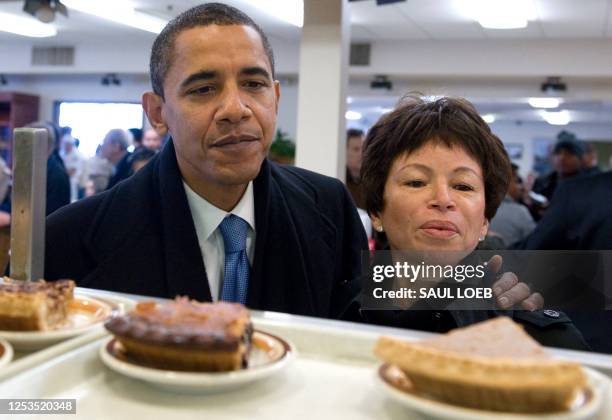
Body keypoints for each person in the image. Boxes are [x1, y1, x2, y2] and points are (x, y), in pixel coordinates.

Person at [44, 3, 366, 319]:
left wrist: (411, 251)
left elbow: (379, 326)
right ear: (158, 113)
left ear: (276, 97)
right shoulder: (64, 241)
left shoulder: (329, 206)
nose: (235, 109)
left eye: (254, 84)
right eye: (203, 89)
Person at [358, 95, 588, 350]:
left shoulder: (531, 335)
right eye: (416, 182)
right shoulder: (335, 306)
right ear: (377, 210)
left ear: (485, 221)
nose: (443, 199)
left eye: (463, 186)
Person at [26, 121, 71, 215]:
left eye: (26, 143)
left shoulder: (56, 175)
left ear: (41, 145)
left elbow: (51, 216)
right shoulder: (42, 167)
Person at [489, 163, 536, 247]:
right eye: (517, 181)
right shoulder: (520, 212)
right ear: (506, 183)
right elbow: (535, 243)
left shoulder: (479, 208)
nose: (521, 187)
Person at [345, 129, 365, 209]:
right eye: (356, 149)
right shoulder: (340, 179)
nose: (362, 153)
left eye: (364, 148)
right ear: (344, 151)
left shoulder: (371, 181)